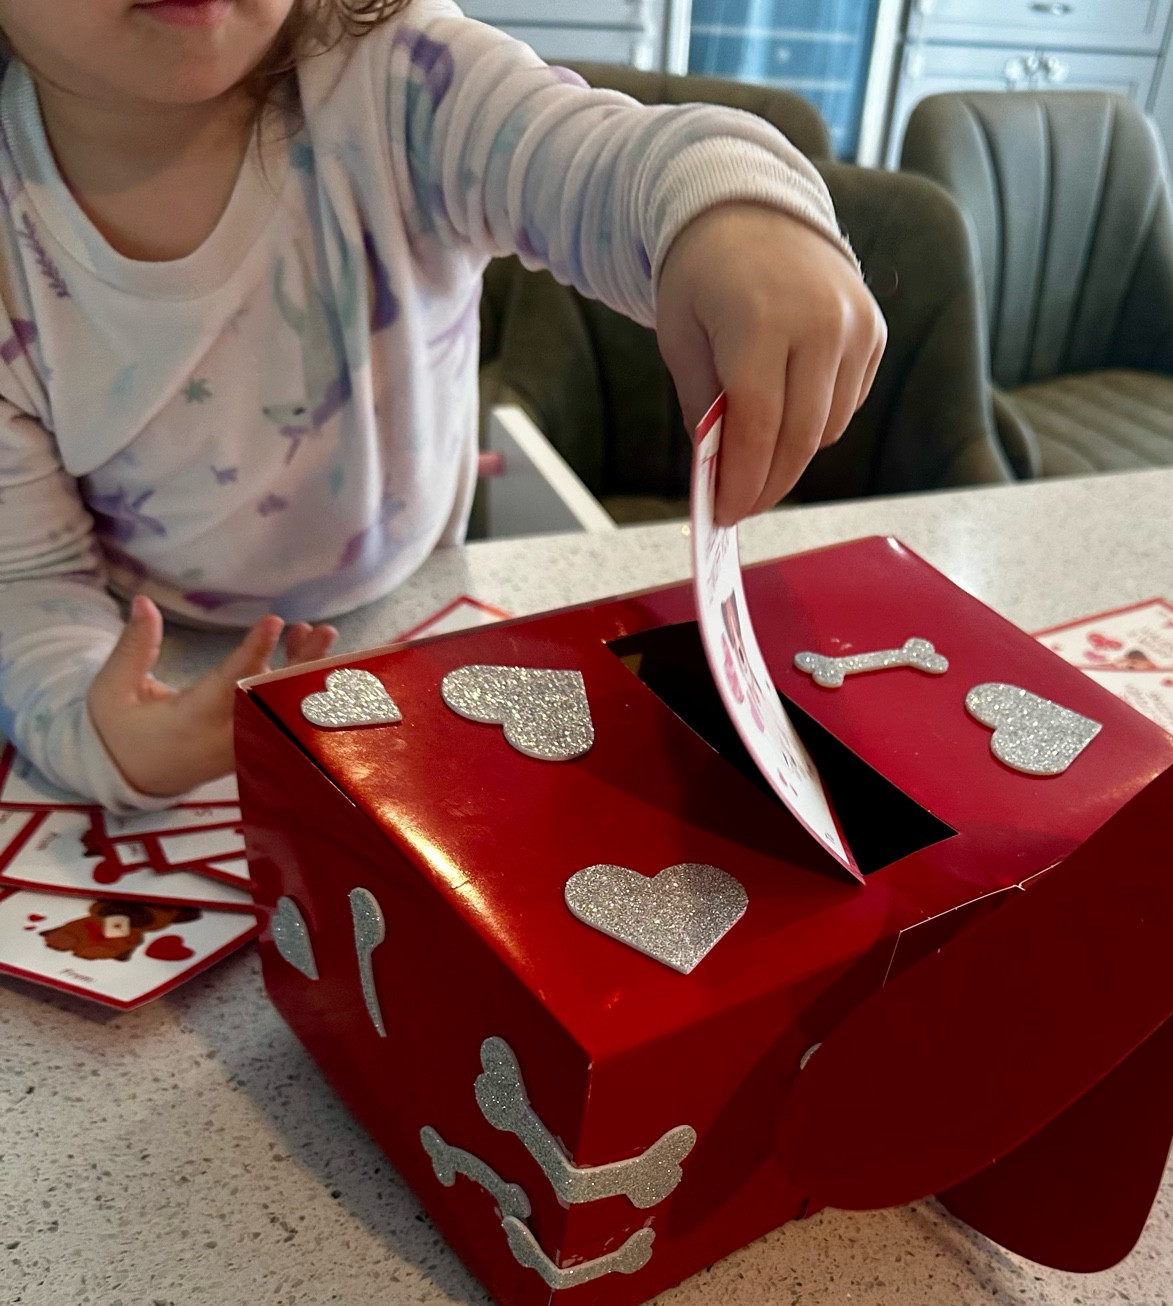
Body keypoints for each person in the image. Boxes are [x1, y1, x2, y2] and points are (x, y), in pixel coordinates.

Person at [0, 0, 885, 806]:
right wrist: (96, 732)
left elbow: (611, 158)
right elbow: (28, 582)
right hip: (161, 647)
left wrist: (731, 212)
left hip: (424, 598)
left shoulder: (398, 77)